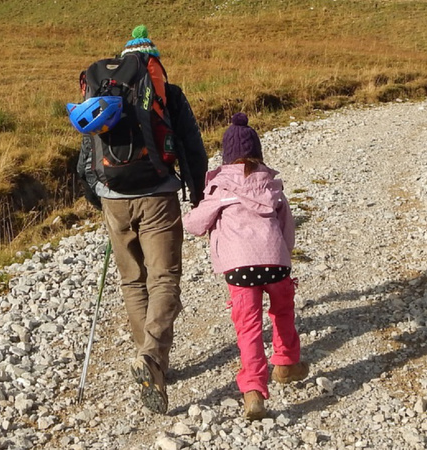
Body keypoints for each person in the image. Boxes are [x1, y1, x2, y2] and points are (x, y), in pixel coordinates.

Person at [75, 26, 208, 414]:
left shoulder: (102, 93)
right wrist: (198, 193)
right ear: (153, 61)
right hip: (158, 194)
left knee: (133, 280)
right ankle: (151, 358)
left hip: (112, 197)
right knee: (164, 278)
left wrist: (96, 195)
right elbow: (193, 147)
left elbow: (87, 149)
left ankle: (149, 358)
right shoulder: (169, 94)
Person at [183, 113, 309, 420]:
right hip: (275, 262)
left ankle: (253, 391)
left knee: (249, 328)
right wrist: (283, 255)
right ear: (258, 152)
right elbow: (287, 228)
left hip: (240, 269)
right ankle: (286, 363)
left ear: (227, 156)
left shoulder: (220, 188)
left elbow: (195, 225)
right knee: (282, 312)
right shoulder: (270, 184)